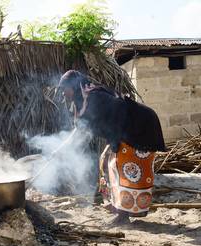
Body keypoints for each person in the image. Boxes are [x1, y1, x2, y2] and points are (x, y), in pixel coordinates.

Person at [58, 70, 166, 224]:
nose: (63, 94)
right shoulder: (83, 101)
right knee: (108, 164)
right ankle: (119, 208)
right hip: (129, 130)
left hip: (141, 127)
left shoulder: (94, 96)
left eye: (64, 89)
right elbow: (80, 130)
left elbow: (120, 108)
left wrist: (115, 139)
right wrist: (61, 149)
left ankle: (123, 215)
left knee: (126, 168)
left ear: (74, 87)